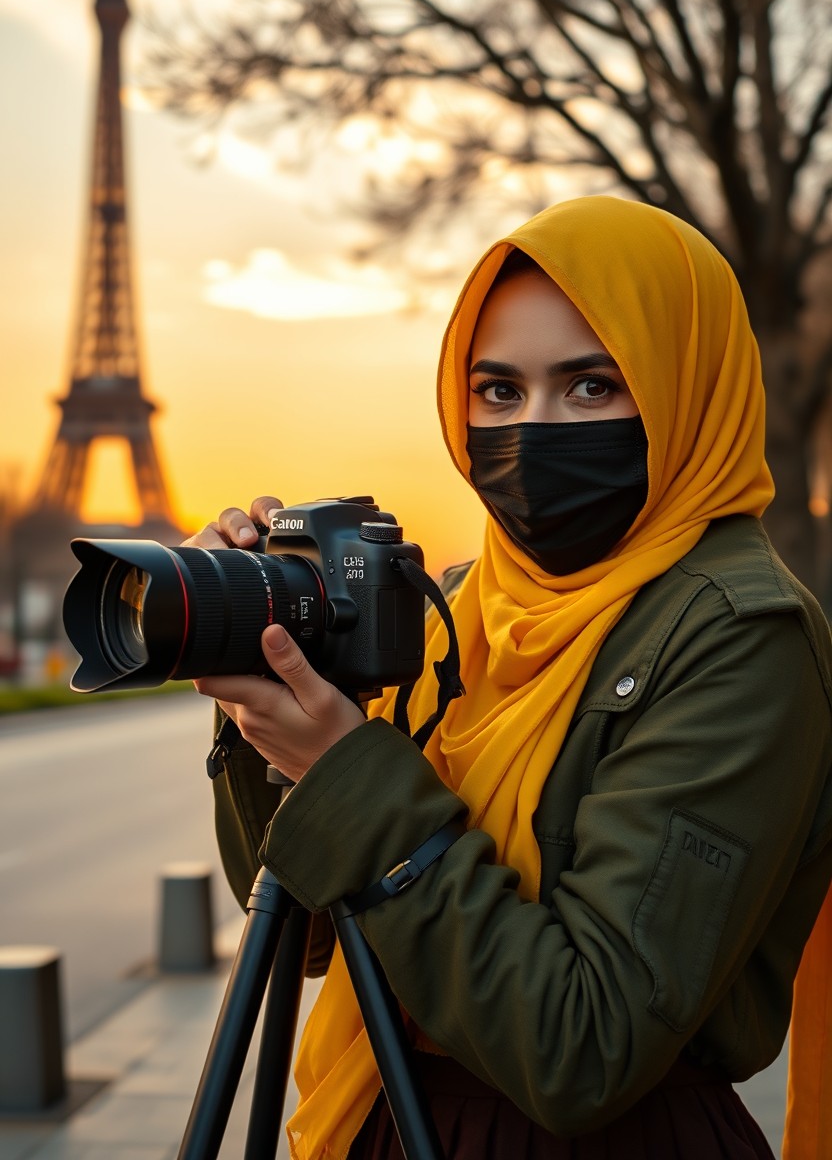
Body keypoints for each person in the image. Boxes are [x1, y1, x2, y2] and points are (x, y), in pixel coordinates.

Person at [186, 196, 832, 1160]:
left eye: (588, 388)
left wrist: (352, 774)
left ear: (686, 390)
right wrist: (264, 707)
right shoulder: (456, 608)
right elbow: (309, 935)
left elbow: (584, 1047)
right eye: (498, 391)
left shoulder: (742, 639)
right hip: (387, 1118)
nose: (532, 430)